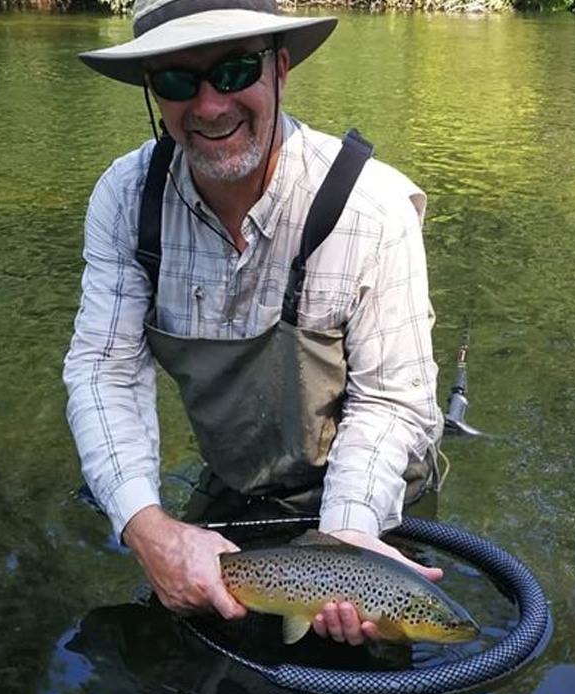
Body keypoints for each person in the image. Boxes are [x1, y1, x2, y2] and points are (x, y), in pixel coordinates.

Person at [64, 0, 444, 646]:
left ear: (281, 70)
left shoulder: (374, 207)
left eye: (235, 70)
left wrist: (346, 539)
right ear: (154, 92)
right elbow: (106, 371)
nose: (209, 106)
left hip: (376, 489)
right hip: (239, 481)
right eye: (179, 81)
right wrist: (145, 523)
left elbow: (390, 402)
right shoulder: (127, 200)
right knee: (176, 666)